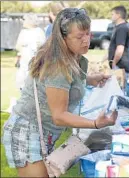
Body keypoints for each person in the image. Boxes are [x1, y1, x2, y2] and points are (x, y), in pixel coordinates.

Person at [3, 8, 118, 177]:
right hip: (27, 130)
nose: (86, 40)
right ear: (63, 38)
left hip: (43, 131)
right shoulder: (58, 66)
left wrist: (90, 79)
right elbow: (59, 115)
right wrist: (94, 123)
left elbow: (67, 85)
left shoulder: (74, 57)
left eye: (88, 33)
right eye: (80, 36)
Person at [15, 13, 46, 91]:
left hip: (35, 60)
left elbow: (42, 46)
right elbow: (18, 46)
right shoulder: (23, 32)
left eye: (24, 20)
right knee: (22, 79)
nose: (23, 21)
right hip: (24, 60)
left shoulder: (39, 32)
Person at [108, 6, 129, 74]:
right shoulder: (118, 27)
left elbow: (120, 49)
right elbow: (113, 47)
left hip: (121, 66)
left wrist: (114, 63)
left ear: (118, 15)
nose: (111, 16)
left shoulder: (122, 28)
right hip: (119, 65)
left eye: (112, 14)